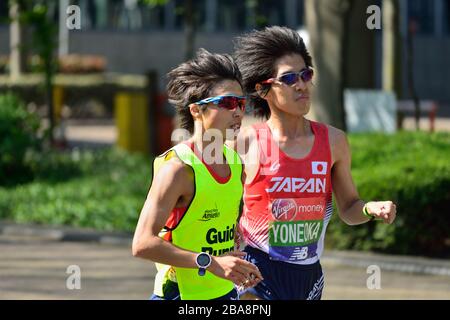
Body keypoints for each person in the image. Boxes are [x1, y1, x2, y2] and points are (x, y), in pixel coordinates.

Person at [232, 26, 397, 300]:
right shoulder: (246, 143)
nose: (302, 84)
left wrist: (369, 208)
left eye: (306, 74)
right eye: (289, 78)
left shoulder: (334, 141)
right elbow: (224, 210)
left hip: (308, 277)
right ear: (263, 90)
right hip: (256, 272)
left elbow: (348, 208)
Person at [132, 48, 263, 300]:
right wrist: (212, 262)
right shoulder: (178, 169)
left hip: (224, 293)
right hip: (180, 296)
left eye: (241, 103)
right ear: (195, 111)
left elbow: (211, 221)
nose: (237, 112)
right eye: (227, 103)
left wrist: (233, 240)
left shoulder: (235, 162)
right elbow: (142, 244)